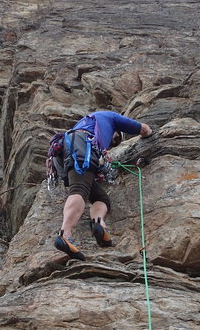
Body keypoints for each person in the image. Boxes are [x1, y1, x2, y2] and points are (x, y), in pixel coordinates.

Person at [54, 110, 152, 260]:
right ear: (116, 131)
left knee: (101, 198)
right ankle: (65, 234)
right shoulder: (110, 117)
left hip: (68, 148)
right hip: (81, 144)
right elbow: (142, 129)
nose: (114, 143)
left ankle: (99, 225)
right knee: (79, 189)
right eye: (116, 139)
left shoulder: (87, 124)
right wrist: (151, 133)